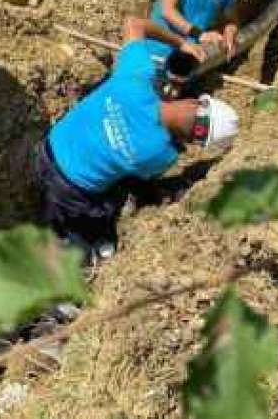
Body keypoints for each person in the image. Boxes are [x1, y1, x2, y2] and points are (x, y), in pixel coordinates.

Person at [34, 16, 239, 263]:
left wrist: (182, 42)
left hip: (47, 150)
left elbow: (133, 23)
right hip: (71, 194)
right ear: (195, 141)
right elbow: (138, 180)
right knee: (111, 206)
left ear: (195, 102)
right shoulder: (163, 153)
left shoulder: (137, 76)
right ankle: (79, 251)